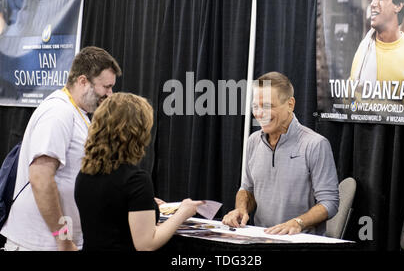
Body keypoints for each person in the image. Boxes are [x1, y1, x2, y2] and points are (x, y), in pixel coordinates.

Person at [0, 46, 122, 251]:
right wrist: (62, 238)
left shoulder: (78, 112)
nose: (110, 94)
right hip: (40, 245)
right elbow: (40, 178)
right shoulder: (58, 112)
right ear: (83, 81)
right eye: (106, 87)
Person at [74, 92, 203, 251]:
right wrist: (183, 212)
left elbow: (109, 211)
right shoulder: (135, 180)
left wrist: (145, 201)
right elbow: (146, 244)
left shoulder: (85, 174)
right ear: (136, 132)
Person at [222, 72, 339, 236]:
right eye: (255, 106)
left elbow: (330, 203)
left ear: (290, 104)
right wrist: (240, 209)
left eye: (268, 106)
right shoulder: (253, 141)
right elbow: (247, 189)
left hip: (301, 243)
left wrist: (297, 223)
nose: (260, 114)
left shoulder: (315, 144)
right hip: (260, 239)